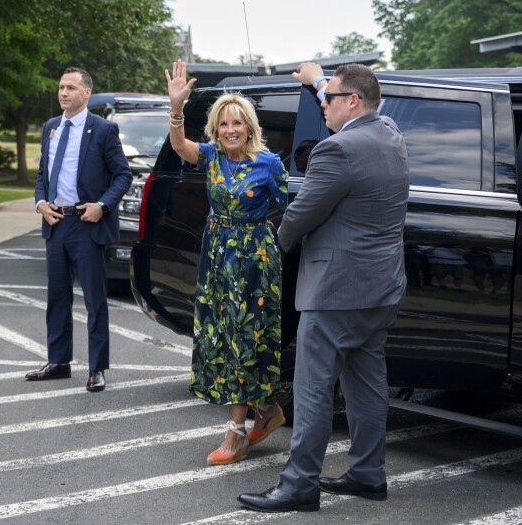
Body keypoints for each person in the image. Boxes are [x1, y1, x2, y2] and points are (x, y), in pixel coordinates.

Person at [238, 62, 409, 513]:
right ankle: (368, 474)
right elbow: (349, 95)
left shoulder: (338, 150)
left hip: (336, 291)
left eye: (328, 98)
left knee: (312, 388)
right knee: (368, 384)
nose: (322, 104)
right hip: (382, 286)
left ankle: (299, 485)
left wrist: (274, 247)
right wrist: (317, 79)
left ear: (351, 102)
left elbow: (302, 214)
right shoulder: (389, 131)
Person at [165, 59, 289, 466]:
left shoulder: (269, 164)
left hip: (254, 262)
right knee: (225, 338)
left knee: (247, 340)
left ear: (249, 127)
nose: (230, 130)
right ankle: (267, 411)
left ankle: (236, 433)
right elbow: (180, 146)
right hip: (218, 257)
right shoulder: (212, 158)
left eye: (237, 123)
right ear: (215, 129)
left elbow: (286, 211)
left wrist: (264, 247)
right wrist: (177, 107)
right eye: (223, 124)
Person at [26, 67, 132, 392]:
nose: (63, 92)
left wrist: (102, 205)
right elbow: (44, 173)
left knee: (94, 300)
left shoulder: (103, 130)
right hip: (56, 222)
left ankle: (97, 367)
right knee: (57, 297)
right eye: (61, 87)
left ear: (87, 93)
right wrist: (40, 202)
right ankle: (58, 361)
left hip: (87, 223)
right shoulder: (51, 128)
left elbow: (123, 175)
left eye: (71, 87)